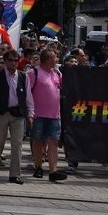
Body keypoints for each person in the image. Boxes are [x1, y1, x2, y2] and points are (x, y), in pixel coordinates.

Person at [0, 49, 34, 184]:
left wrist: (30, 114)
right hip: (1, 113)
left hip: (18, 114)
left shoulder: (24, 76)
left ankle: (14, 174)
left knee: (17, 144)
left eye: (15, 60)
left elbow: (28, 97)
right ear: (4, 62)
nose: (13, 63)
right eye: (10, 60)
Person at [29, 49, 68, 182]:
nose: (56, 60)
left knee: (53, 142)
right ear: (47, 59)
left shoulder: (57, 73)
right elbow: (27, 93)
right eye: (54, 58)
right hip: (37, 114)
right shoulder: (33, 72)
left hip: (54, 115)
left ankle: (53, 171)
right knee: (37, 141)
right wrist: (30, 112)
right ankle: (38, 167)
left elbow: (64, 87)